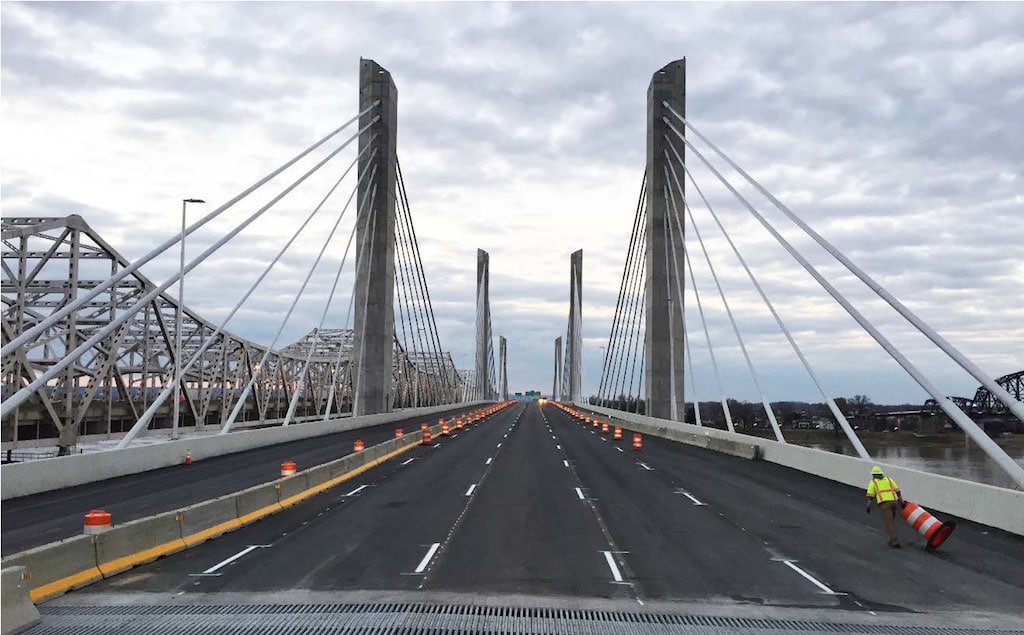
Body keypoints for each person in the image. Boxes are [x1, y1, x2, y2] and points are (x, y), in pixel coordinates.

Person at [866, 466, 904, 547]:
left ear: (874, 475)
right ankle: (891, 539)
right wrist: (902, 502)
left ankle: (894, 542)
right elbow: (898, 491)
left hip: (885, 504)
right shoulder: (889, 480)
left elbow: (870, 496)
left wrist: (868, 506)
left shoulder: (873, 482)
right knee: (891, 521)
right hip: (894, 502)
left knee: (888, 523)